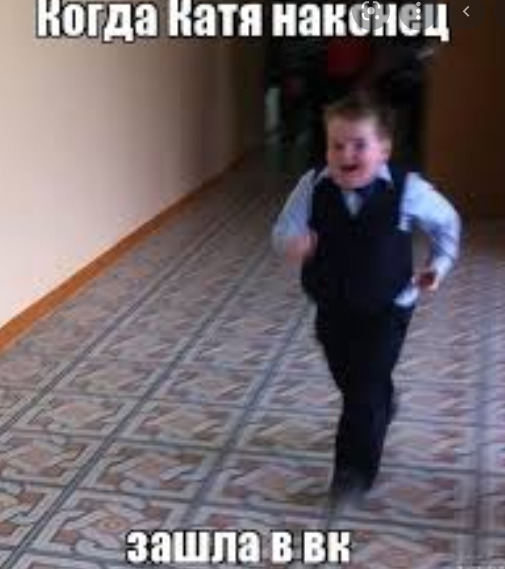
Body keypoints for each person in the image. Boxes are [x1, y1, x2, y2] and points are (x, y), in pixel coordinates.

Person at [271, 92, 461, 503]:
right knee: (348, 375)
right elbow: (283, 229)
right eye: (336, 145)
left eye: (359, 145)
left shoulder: (409, 190)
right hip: (331, 304)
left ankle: (353, 473)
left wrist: (439, 265)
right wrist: (293, 243)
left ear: (384, 150)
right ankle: (383, 402)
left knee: (364, 388)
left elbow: (446, 223)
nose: (346, 154)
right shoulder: (313, 185)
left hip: (387, 306)